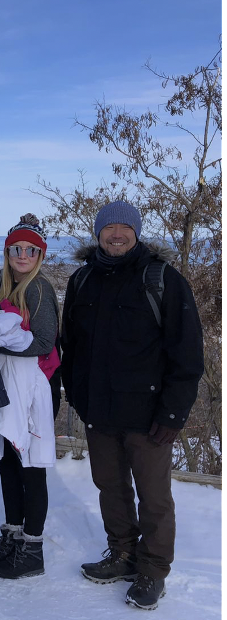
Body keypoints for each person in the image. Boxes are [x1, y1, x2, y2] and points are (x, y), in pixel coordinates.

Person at [62, 201, 203, 611]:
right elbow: (73, 347)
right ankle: (122, 554)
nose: (117, 234)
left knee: (154, 497)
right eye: (109, 228)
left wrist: (173, 414)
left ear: (137, 232)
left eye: (125, 227)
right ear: (98, 234)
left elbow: (187, 356)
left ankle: (153, 571)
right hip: (99, 411)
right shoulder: (83, 279)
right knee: (111, 487)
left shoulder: (163, 279)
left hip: (149, 417)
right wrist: (78, 395)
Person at [0, 214, 58, 579]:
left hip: (34, 390)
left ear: (40, 254)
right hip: (6, 386)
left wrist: (2, 341)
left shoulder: (39, 288)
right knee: (7, 463)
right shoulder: (1, 282)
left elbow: (44, 343)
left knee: (30, 467)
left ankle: (33, 548)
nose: (22, 255)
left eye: (30, 250)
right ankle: (12, 534)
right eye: (16, 249)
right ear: (7, 252)